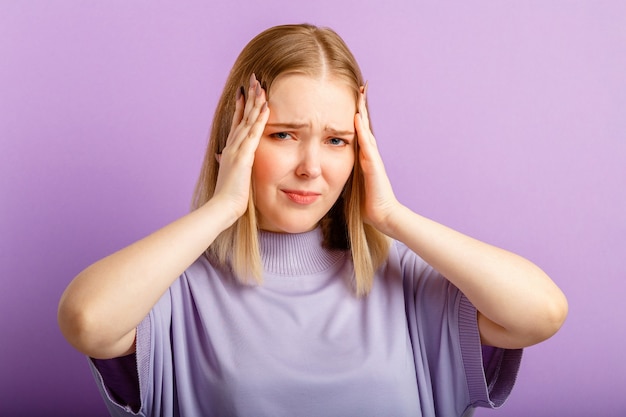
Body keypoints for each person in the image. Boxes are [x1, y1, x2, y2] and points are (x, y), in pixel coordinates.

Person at [58, 23, 568, 417]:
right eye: (282, 134)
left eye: (336, 140)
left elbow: (541, 312)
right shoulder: (174, 290)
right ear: (234, 139)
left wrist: (391, 216)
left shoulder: (410, 282)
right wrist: (221, 209)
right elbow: (86, 320)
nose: (311, 167)